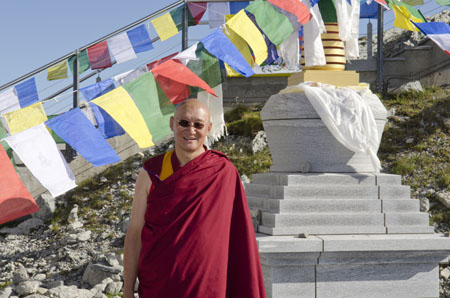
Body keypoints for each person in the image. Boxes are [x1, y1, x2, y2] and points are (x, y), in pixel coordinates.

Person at [123, 99, 266, 298]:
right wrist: (127, 289)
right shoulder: (152, 172)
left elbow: (239, 234)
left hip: (207, 285)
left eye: (198, 125)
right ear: (173, 123)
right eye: (184, 123)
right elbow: (135, 233)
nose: (191, 130)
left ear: (208, 128)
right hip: (159, 285)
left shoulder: (223, 172)